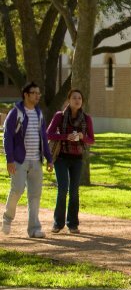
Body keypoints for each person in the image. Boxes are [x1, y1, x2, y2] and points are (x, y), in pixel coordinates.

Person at [2, 81, 53, 238]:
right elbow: (7, 136)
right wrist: (9, 159)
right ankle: (7, 219)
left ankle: (34, 229)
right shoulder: (15, 113)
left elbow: (43, 137)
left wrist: (49, 158)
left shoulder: (38, 113)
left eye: (39, 93)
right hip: (19, 160)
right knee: (17, 190)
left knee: (35, 196)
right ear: (26, 94)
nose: (38, 96)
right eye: (34, 93)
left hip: (36, 161)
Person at [47, 89, 94, 234]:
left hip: (77, 159)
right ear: (68, 100)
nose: (77, 100)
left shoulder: (86, 119)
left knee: (74, 191)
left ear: (82, 101)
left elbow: (91, 140)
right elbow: (48, 133)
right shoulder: (59, 116)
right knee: (62, 189)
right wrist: (65, 136)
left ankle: (72, 224)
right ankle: (57, 223)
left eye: (79, 98)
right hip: (61, 158)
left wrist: (82, 136)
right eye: (74, 98)